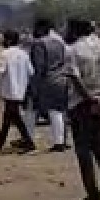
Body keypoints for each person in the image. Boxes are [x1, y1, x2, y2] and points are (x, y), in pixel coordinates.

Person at [64, 19, 100, 200]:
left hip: (82, 104)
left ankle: (93, 193)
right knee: (99, 146)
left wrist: (90, 99)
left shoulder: (73, 50)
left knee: (83, 150)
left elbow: (75, 78)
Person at [29, 18, 70, 152]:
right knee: (59, 111)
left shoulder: (39, 44)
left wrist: (35, 85)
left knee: (49, 111)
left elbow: (39, 67)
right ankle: (62, 140)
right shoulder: (60, 41)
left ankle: (58, 142)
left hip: (47, 80)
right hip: (62, 79)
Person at [0, 30, 36, 153]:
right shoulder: (24, 54)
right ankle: (0, 143)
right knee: (10, 117)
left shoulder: (4, 54)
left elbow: (0, 72)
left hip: (9, 89)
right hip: (21, 90)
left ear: (9, 40)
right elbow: (31, 72)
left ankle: (29, 142)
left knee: (13, 117)